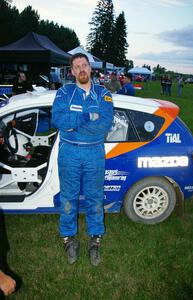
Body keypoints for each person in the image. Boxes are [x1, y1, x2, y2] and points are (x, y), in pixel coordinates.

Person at [52, 53, 113, 266]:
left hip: (94, 152)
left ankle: (95, 239)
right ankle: (68, 239)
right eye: (77, 67)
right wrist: (87, 116)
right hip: (69, 151)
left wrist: (74, 123)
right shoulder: (64, 93)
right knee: (68, 197)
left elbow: (103, 126)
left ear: (90, 67)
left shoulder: (103, 94)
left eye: (84, 65)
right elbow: (58, 120)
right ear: (72, 71)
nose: (81, 70)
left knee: (94, 197)